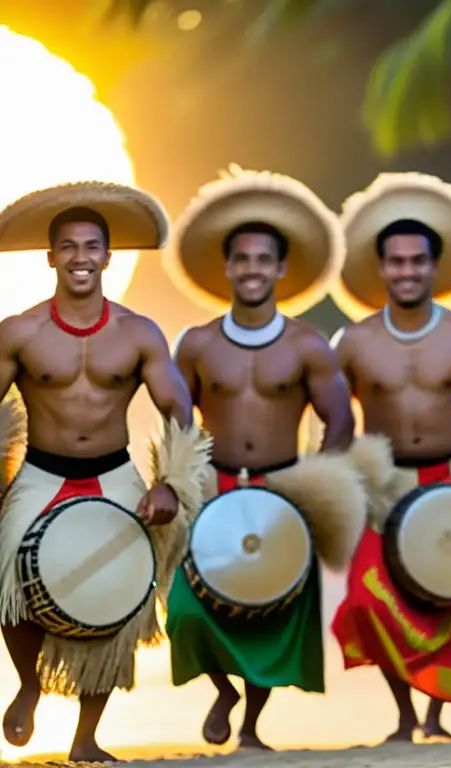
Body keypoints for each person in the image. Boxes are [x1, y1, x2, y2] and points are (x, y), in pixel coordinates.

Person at [0, 182, 212, 761]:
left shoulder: (139, 332)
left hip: (114, 471)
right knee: (7, 579)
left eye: (91, 246)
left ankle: (87, 738)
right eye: (66, 247)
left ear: (108, 256)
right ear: (50, 258)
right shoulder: (19, 331)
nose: (79, 258)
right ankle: (29, 682)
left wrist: (170, 481)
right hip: (41, 472)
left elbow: (178, 412)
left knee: (124, 594)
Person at [163, 166, 370, 751]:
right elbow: (179, 419)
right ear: (226, 267)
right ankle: (221, 692)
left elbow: (339, 420)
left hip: (283, 494)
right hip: (214, 489)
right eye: (242, 259)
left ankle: (251, 724)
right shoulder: (198, 343)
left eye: (264, 259)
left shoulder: (307, 345)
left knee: (274, 612)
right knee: (186, 611)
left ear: (281, 269)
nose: (252, 269)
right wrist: (177, 480)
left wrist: (314, 481)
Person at [326, 172, 451, 742]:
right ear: (380, 268)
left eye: (417, 261)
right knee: (367, 596)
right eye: (396, 262)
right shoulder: (352, 342)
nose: (406, 271)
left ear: (434, 267)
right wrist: (327, 478)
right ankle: (402, 714)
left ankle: (436, 717)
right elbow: (334, 417)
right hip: (382, 482)